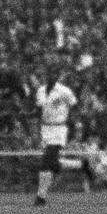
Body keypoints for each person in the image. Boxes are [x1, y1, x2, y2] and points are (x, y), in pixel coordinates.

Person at [32, 73, 78, 206]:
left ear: (56, 76)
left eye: (53, 74)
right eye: (48, 74)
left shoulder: (64, 91)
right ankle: (80, 165)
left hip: (59, 129)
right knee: (51, 162)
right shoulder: (40, 90)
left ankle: (40, 198)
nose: (49, 77)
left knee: (46, 162)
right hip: (45, 129)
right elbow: (38, 109)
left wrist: (72, 124)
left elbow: (74, 106)